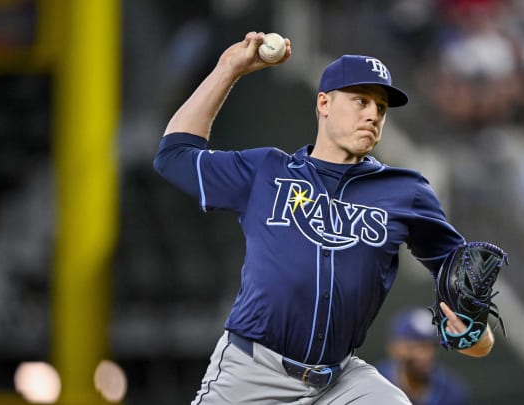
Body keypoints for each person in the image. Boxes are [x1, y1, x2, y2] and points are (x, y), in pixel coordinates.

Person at [153, 31, 495, 404]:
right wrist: (228, 69)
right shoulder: (267, 170)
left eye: (380, 107)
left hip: (340, 382)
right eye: (361, 100)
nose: (372, 114)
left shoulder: (406, 191)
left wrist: (475, 333)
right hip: (253, 372)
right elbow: (174, 155)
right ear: (324, 103)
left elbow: (467, 295)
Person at [377, 308, 470, 405]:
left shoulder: (451, 392)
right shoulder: (374, 384)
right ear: (394, 348)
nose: (423, 355)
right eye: (413, 346)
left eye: (429, 346)